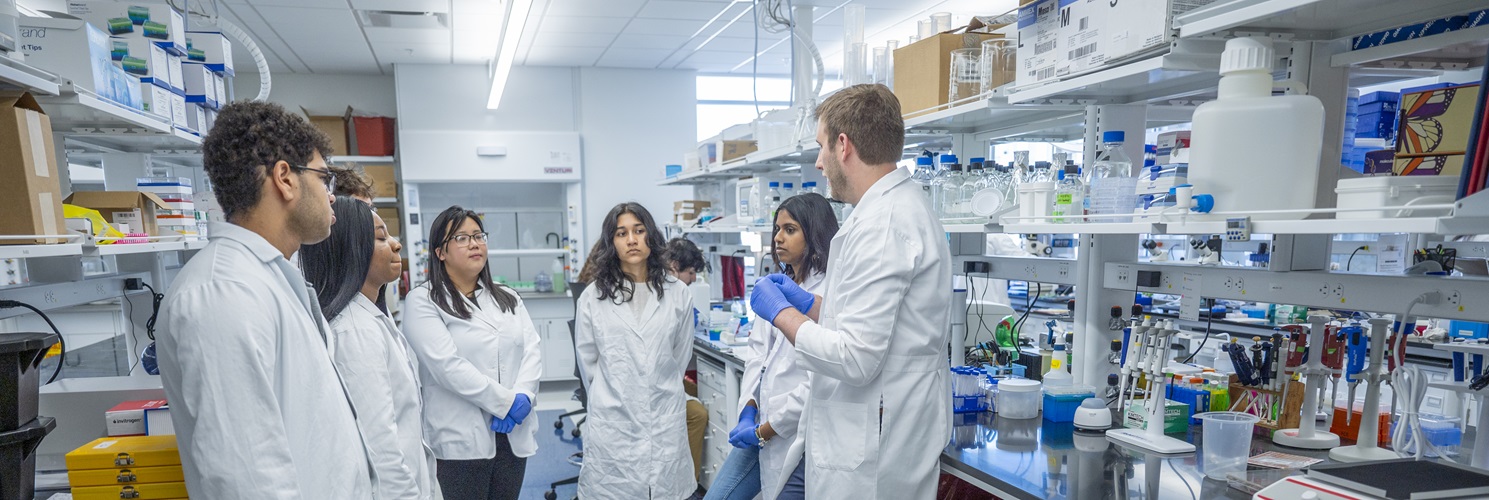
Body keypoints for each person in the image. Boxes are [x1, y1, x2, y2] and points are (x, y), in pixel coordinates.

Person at [157, 101, 373, 498]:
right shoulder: (223, 293)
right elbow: (245, 478)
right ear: (285, 179)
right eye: (325, 179)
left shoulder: (267, 278)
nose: (331, 196)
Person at [749, 84, 953, 499]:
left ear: (844, 145)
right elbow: (874, 324)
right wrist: (812, 305)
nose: (820, 163)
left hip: (874, 452)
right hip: (880, 431)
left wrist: (781, 314)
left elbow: (857, 358)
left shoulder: (884, 224)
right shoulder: (890, 210)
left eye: (822, 147)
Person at [300, 197, 438, 500]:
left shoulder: (371, 319)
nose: (396, 244)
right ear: (352, 249)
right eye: (380, 237)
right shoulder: (356, 332)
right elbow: (381, 447)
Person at [402, 206, 543, 500]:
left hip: (512, 434)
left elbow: (532, 349)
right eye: (462, 238)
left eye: (479, 236)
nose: (475, 244)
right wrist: (506, 402)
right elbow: (447, 367)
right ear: (440, 252)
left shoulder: (507, 296)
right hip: (459, 441)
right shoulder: (423, 301)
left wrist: (524, 397)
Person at [707, 193, 838, 500]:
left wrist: (765, 429)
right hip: (761, 426)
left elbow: (817, 382)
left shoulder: (831, 293)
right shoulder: (777, 283)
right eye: (777, 229)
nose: (778, 238)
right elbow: (757, 356)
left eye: (789, 229)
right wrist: (748, 411)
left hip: (798, 433)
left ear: (815, 233)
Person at [575, 202, 697, 500]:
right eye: (621, 233)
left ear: (650, 237)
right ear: (611, 242)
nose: (631, 239)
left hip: (663, 415)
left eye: (639, 231)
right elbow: (588, 363)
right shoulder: (593, 297)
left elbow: (679, 356)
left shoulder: (677, 292)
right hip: (613, 420)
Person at [662, 237, 711, 492]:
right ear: (673, 266)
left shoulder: (675, 294)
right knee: (699, 413)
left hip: (667, 378)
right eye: (690, 272)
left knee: (701, 393)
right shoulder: (665, 296)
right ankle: (688, 487)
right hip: (658, 386)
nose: (693, 279)